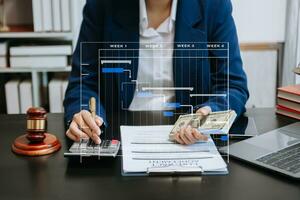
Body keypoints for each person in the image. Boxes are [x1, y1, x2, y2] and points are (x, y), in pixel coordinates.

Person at [64, 0, 249, 145]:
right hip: (116, 135)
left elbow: (233, 85)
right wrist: (85, 114)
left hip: (188, 141)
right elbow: (82, 82)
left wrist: (209, 113)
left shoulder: (213, 5)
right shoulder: (102, 5)